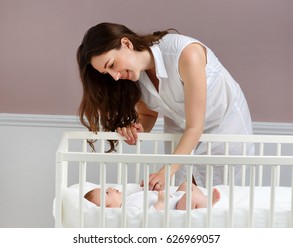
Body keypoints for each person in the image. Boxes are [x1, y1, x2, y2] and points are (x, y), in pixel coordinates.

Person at [77, 22, 254, 189]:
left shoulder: (186, 54)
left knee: (220, 199)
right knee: (181, 201)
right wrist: (137, 129)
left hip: (222, 125)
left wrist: (166, 171)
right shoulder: (133, 77)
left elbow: (195, 126)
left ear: (126, 44)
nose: (114, 76)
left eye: (112, 65)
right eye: (107, 73)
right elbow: (149, 114)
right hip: (181, 129)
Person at [84, 182, 221, 211]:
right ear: (108, 207)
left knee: (186, 185)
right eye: (107, 193)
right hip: (175, 207)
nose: (112, 189)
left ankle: (202, 199)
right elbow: (147, 216)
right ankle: (206, 203)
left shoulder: (128, 199)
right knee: (190, 197)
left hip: (174, 198)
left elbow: (145, 198)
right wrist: (160, 203)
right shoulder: (129, 210)